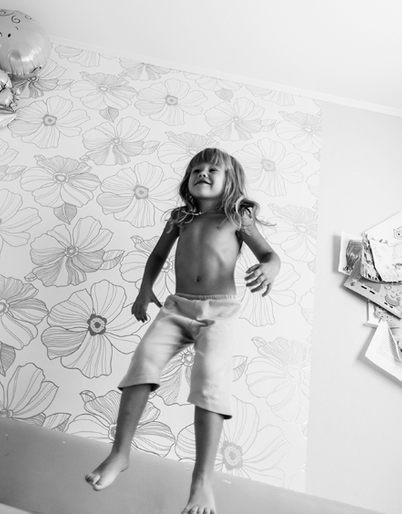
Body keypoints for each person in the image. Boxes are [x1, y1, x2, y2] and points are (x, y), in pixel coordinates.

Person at [85, 148, 281, 514]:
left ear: (230, 182)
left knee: (209, 380)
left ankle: (202, 481)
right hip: (177, 307)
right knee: (144, 360)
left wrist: (270, 268)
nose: (202, 173)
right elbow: (158, 256)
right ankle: (119, 453)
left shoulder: (237, 217)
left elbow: (270, 255)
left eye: (212, 170)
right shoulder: (181, 217)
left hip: (218, 311)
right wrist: (145, 289)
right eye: (196, 169)